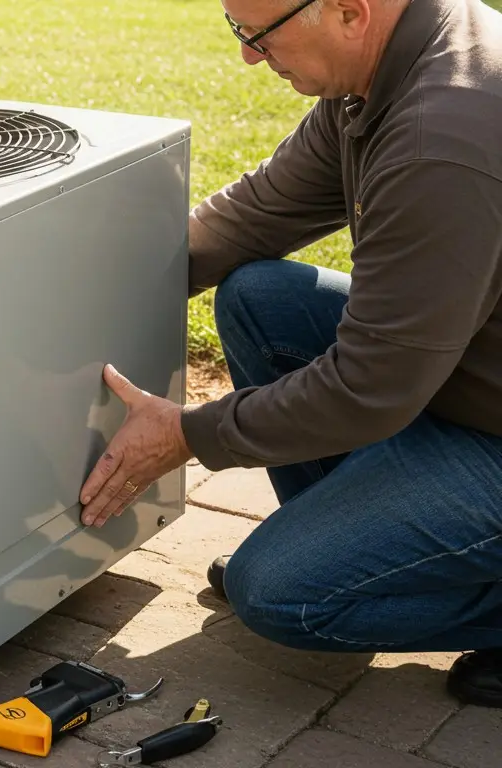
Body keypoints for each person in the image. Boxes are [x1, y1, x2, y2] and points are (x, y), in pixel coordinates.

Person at [76, 0, 502, 709]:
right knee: (259, 298)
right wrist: (61, 301)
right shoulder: (387, 67)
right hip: (464, 376)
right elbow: (250, 218)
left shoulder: (442, 134)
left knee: (276, 594)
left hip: (487, 430)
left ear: (348, 12)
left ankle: (363, 577)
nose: (246, 54)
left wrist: (187, 435)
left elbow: (369, 389)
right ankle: (350, 551)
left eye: (257, 34)